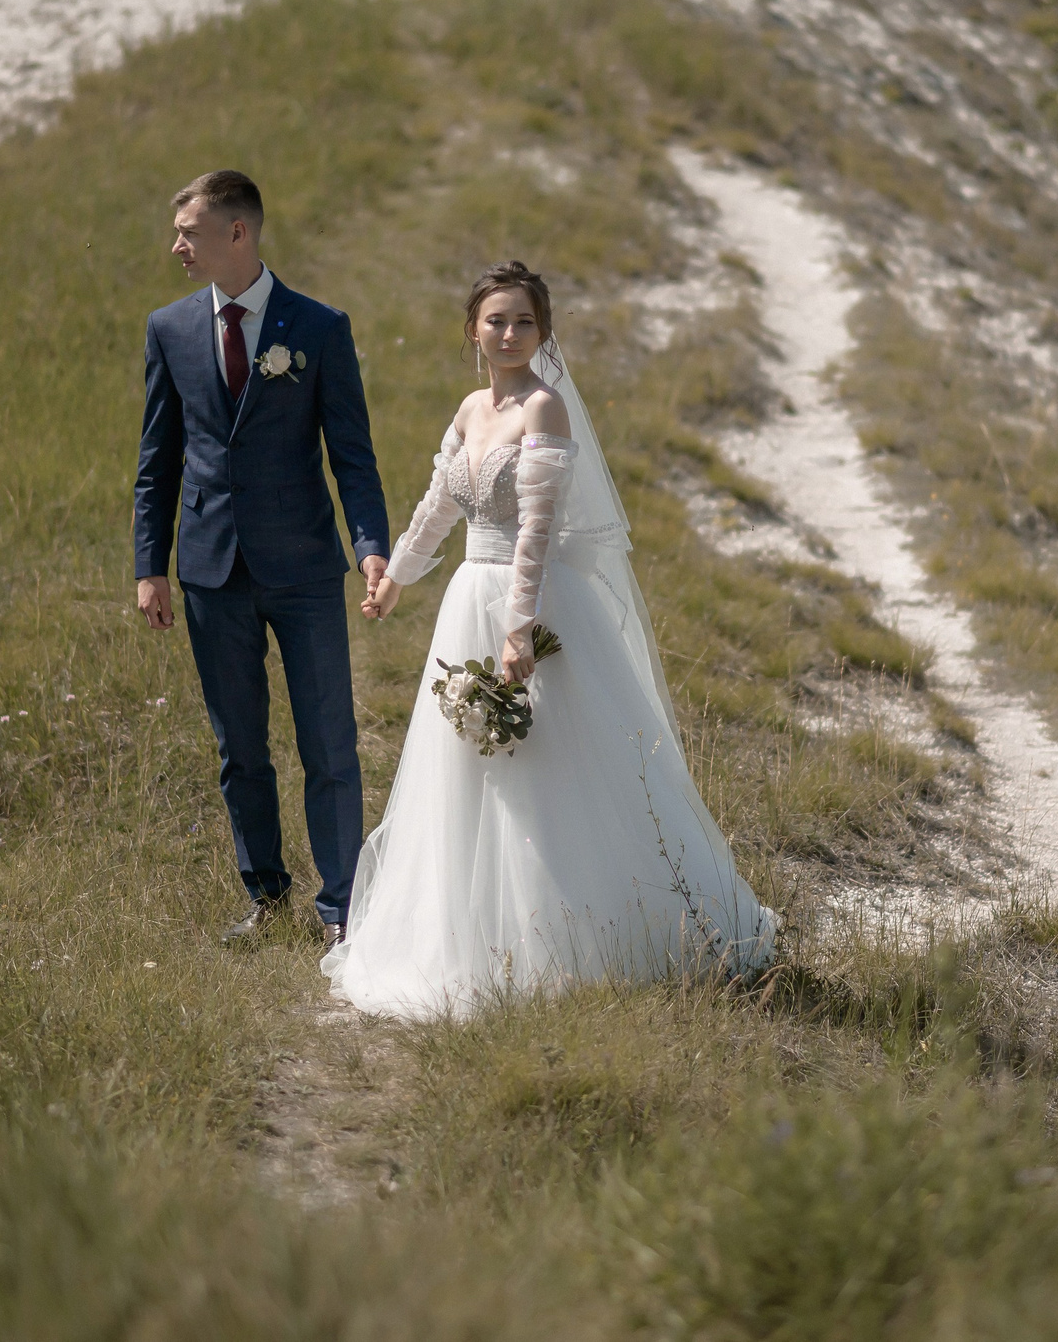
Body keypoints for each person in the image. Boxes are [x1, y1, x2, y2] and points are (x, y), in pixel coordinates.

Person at [324, 261, 776, 1018]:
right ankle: (465, 932)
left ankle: (573, 936)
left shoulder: (545, 407)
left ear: (543, 331)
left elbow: (536, 529)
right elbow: (439, 504)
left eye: (524, 322)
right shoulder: (470, 408)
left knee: (548, 764)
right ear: (473, 329)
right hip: (466, 596)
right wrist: (397, 576)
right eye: (496, 320)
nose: (509, 334)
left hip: (528, 601)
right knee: (467, 767)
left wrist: (518, 627)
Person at [132, 169, 389, 947]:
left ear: (237, 232)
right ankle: (267, 898)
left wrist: (371, 548)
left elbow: (353, 456)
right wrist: (149, 566)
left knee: (329, 742)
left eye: (188, 232)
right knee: (239, 749)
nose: (177, 246)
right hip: (210, 572)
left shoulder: (319, 327)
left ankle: (341, 904)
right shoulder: (169, 329)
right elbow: (157, 461)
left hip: (305, 567)